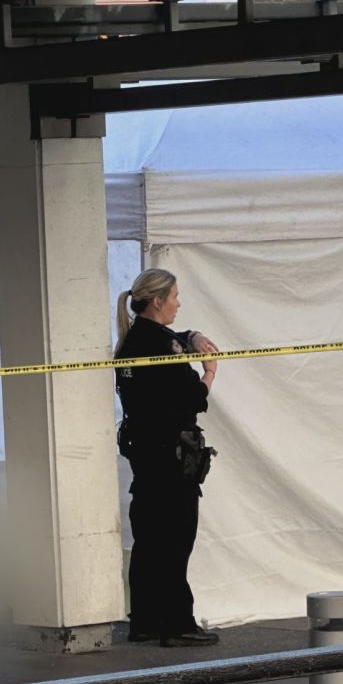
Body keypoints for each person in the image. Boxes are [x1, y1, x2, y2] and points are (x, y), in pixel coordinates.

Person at [114, 268, 221, 648]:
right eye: (175, 296)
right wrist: (209, 373)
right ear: (158, 301)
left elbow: (168, 339)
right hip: (172, 456)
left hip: (144, 454)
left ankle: (143, 621)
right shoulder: (160, 347)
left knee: (149, 539)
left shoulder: (131, 342)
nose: (179, 303)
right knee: (176, 539)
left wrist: (190, 336)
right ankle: (177, 624)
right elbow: (193, 399)